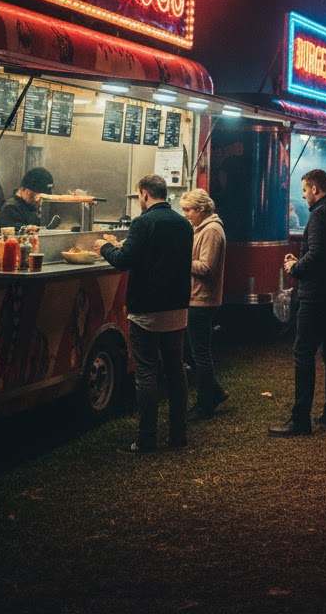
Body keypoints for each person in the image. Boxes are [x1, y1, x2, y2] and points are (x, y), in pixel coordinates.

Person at [93, 175, 193, 453]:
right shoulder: (183, 223)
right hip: (177, 308)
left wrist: (104, 246)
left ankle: (147, 438)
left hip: (147, 309)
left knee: (147, 371)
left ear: (145, 194)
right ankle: (178, 435)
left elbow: (123, 260)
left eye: (139, 196)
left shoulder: (143, 223)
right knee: (175, 370)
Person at [269, 169, 326, 436]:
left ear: (316, 189)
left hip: (318, 295)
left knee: (303, 352)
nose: (305, 195)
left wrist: (295, 267)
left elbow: (318, 254)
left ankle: (300, 420)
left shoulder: (320, 215)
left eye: (306, 190)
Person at [180, 188, 228, 421]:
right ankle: (215, 392)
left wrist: (181, 260)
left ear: (201, 209)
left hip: (202, 298)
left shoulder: (211, 231)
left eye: (188, 210)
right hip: (197, 297)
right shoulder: (203, 228)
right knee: (194, 349)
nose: (186, 214)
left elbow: (206, 268)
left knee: (200, 353)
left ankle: (205, 404)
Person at [0, 166, 54, 230]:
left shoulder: (31, 207)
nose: (38, 199)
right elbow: (22, 236)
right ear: (23, 189)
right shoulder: (11, 209)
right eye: (35, 194)